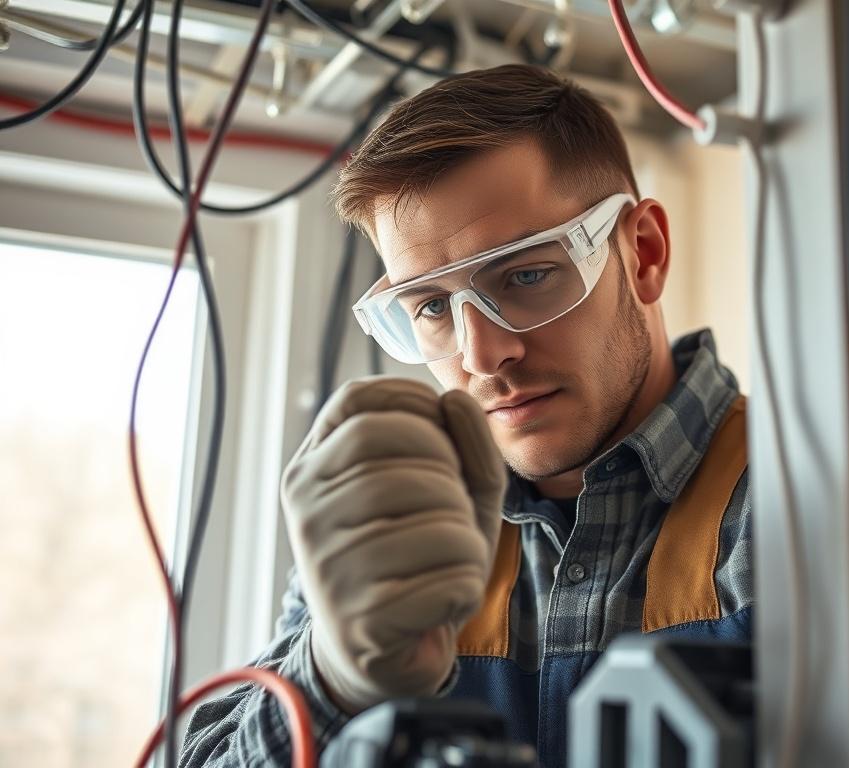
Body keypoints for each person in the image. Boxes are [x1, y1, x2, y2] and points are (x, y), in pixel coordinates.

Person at [180, 63, 751, 768]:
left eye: (526, 275)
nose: (483, 355)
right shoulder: (402, 526)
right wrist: (332, 675)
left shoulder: (798, 501)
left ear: (644, 254)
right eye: (431, 306)